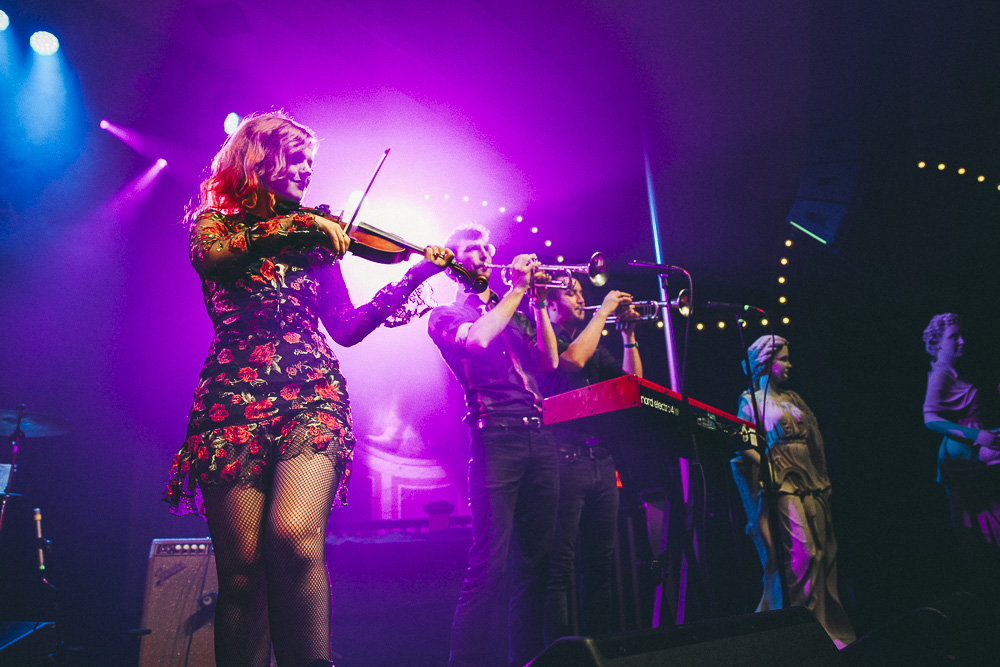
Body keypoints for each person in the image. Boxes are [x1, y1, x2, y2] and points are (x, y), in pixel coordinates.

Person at [161, 111, 454, 667]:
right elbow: (218, 259)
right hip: (232, 400)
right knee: (243, 573)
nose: (305, 173)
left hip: (310, 393)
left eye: (310, 164)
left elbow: (343, 327)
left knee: (294, 540)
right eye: (296, 159)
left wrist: (411, 277)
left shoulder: (316, 245)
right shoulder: (215, 225)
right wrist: (299, 227)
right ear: (258, 159)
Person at [428, 224, 559, 667]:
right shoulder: (445, 314)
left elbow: (549, 361)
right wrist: (517, 292)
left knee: (537, 563)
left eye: (488, 248)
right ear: (453, 263)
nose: (485, 255)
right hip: (494, 438)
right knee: (489, 565)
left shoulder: (515, 311)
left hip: (538, 434)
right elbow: (480, 339)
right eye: (472, 250)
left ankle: (527, 660)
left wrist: (538, 303)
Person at [734, 335, 855, 648]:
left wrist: (822, 474)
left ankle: (822, 628)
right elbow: (744, 444)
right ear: (766, 361)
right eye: (782, 359)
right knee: (803, 555)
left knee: (823, 555)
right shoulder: (751, 400)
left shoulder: (794, 398)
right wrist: (769, 467)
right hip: (781, 482)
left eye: (788, 358)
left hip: (810, 480)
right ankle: (802, 634)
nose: (789, 365)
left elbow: (815, 441)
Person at [537, 278, 641, 642]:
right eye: (571, 292)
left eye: (581, 291)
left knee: (600, 566)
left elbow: (632, 386)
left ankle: (602, 650)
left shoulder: (592, 340)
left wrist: (628, 335)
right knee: (560, 566)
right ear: (550, 304)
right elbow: (571, 361)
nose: (582, 297)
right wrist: (605, 312)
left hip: (602, 459)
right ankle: (560, 655)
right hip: (563, 458)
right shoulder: (546, 338)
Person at [922, 313, 1000, 546]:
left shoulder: (956, 371)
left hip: (975, 443)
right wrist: (976, 435)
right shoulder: (941, 374)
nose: (961, 341)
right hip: (963, 450)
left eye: (961, 336)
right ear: (938, 343)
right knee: (977, 516)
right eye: (953, 337)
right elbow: (930, 418)